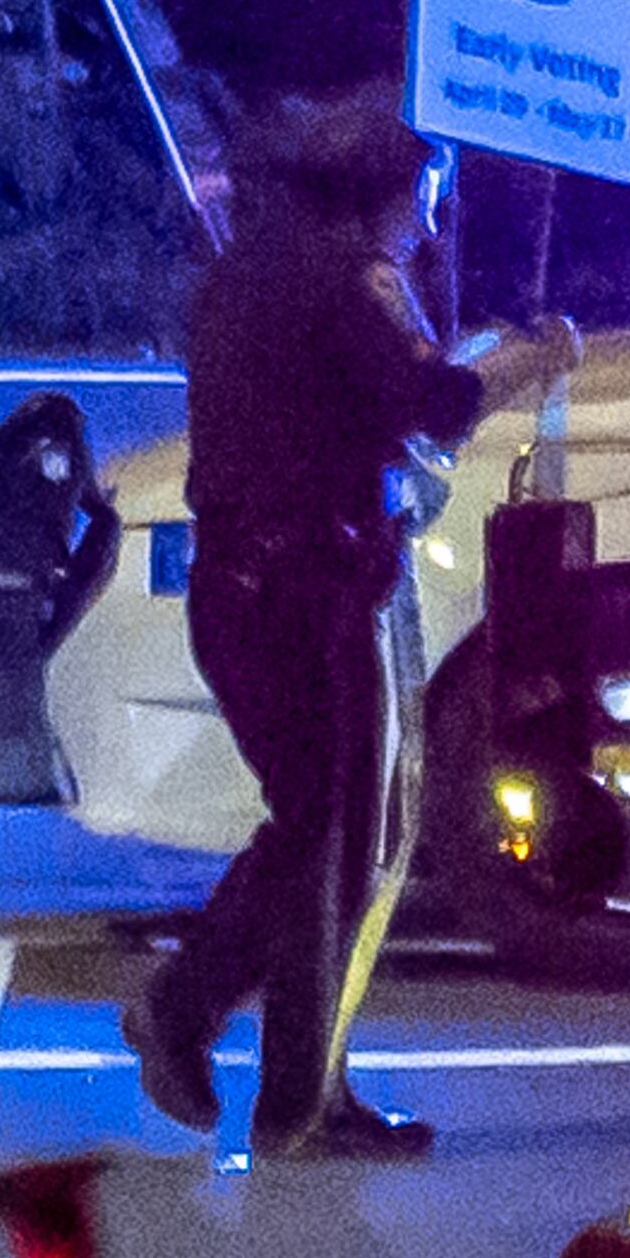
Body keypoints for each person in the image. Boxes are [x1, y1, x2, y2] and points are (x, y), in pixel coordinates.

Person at [122, 87, 563, 1159]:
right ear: (387, 188)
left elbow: (341, 410)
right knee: (335, 843)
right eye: (428, 191)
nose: (433, 216)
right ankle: (230, 1042)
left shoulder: (248, 268)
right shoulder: (349, 279)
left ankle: (274, 1078)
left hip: (246, 592)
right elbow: (438, 406)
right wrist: (537, 356)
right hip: (304, 597)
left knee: (312, 829)